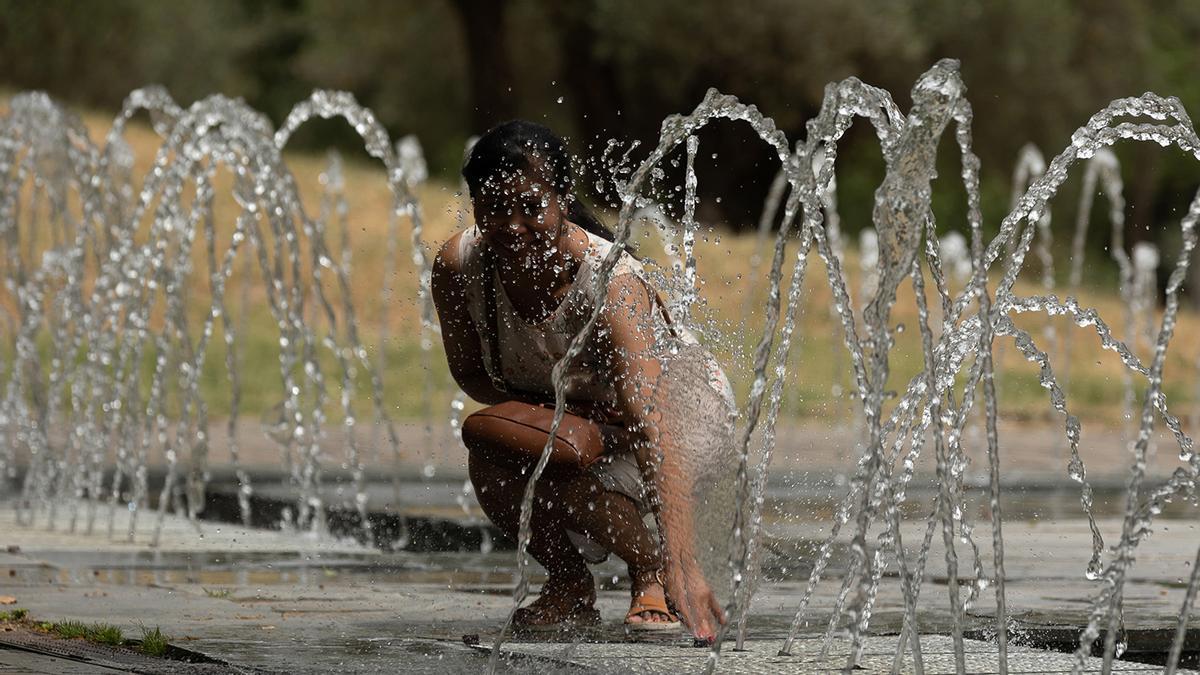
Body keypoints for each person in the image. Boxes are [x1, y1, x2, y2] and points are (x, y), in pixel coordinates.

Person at [431, 120, 735, 643]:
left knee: (564, 458)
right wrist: (568, 417)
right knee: (494, 447)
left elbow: (650, 421)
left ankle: (656, 572)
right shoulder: (460, 266)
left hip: (681, 412)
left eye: (531, 206)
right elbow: (474, 378)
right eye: (495, 207)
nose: (512, 224)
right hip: (586, 414)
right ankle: (570, 583)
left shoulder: (610, 282)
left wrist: (689, 565)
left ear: (562, 198)